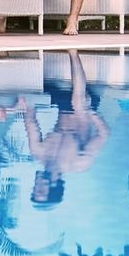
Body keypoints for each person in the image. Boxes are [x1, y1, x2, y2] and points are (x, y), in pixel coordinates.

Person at [22, 51, 110, 205]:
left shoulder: (38, 152)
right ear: (54, 187)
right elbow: (104, 134)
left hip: (61, 105)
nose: (36, 185)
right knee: (78, 103)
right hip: (84, 108)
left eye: (34, 189)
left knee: (28, 95)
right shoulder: (78, 163)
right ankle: (73, 53)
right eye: (40, 190)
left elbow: (30, 121)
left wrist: (24, 102)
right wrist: (90, 112)